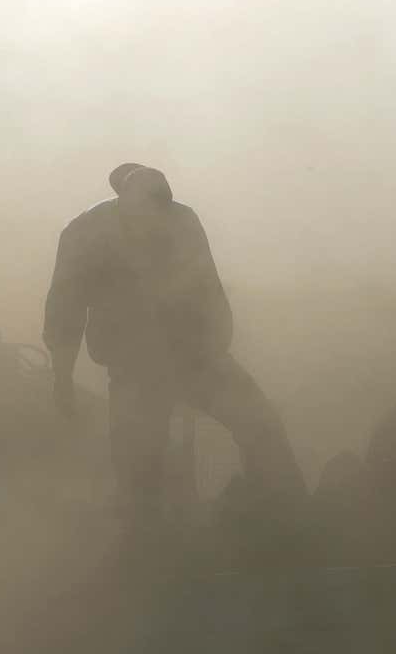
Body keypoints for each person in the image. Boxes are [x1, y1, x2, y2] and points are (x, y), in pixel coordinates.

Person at [43, 165, 305, 522]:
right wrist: (62, 379)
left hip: (194, 355)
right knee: (138, 468)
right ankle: (146, 544)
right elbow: (65, 309)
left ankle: (288, 516)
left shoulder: (182, 220)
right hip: (134, 366)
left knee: (260, 424)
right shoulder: (85, 232)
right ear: (123, 199)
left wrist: (216, 348)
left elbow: (209, 287)